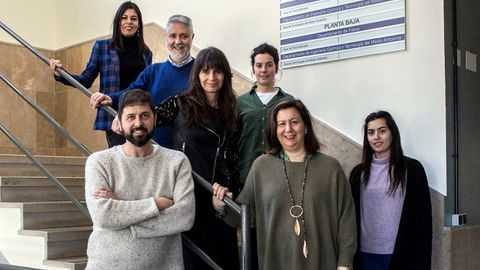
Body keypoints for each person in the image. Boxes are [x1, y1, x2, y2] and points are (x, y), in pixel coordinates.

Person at [213, 99, 356, 270]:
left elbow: (346, 220)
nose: (288, 129)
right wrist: (223, 206)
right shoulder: (261, 166)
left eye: (294, 122)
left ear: (306, 127)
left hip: (323, 263)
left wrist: (345, 264)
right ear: (275, 130)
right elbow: (246, 217)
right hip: (275, 263)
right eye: (281, 124)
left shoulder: (331, 168)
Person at [149, 46, 239, 270]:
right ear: (197, 74)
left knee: (222, 257)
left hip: (218, 192)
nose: (211, 78)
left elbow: (233, 154)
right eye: (205, 71)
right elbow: (149, 117)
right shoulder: (181, 102)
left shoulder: (231, 108)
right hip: (188, 191)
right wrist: (120, 113)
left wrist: (232, 190)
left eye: (217, 72)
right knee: (194, 259)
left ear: (224, 75)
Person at [84, 89, 195, 269]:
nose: (138, 123)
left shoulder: (177, 162)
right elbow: (103, 216)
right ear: (119, 122)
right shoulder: (99, 162)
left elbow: (184, 217)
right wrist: (156, 204)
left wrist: (121, 211)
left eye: (144, 115)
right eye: (130, 117)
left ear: (155, 118)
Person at [49, 1, 152, 147]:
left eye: (133, 19)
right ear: (118, 22)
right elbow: (86, 79)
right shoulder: (103, 47)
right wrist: (61, 73)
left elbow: (146, 86)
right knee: (119, 163)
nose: (129, 22)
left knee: (140, 161)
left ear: (139, 24)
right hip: (113, 112)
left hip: (140, 115)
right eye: (124, 18)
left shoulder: (146, 53)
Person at [90, 14, 195, 148]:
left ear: (192, 37)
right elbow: (132, 92)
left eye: (184, 36)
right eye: (173, 36)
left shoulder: (203, 74)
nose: (178, 41)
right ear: (166, 38)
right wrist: (111, 99)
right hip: (155, 150)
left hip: (190, 152)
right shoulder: (152, 71)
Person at [349, 111, 432, 270]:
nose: (376, 137)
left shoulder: (413, 170)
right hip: (366, 254)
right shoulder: (357, 173)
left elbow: (423, 221)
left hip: (402, 254)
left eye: (382, 131)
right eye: (371, 132)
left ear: (392, 133)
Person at [237, 43, 293, 187]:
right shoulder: (241, 102)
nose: (264, 70)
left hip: (281, 175)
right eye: (259, 65)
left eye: (269, 65)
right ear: (253, 68)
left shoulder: (288, 101)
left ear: (276, 67)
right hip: (246, 175)